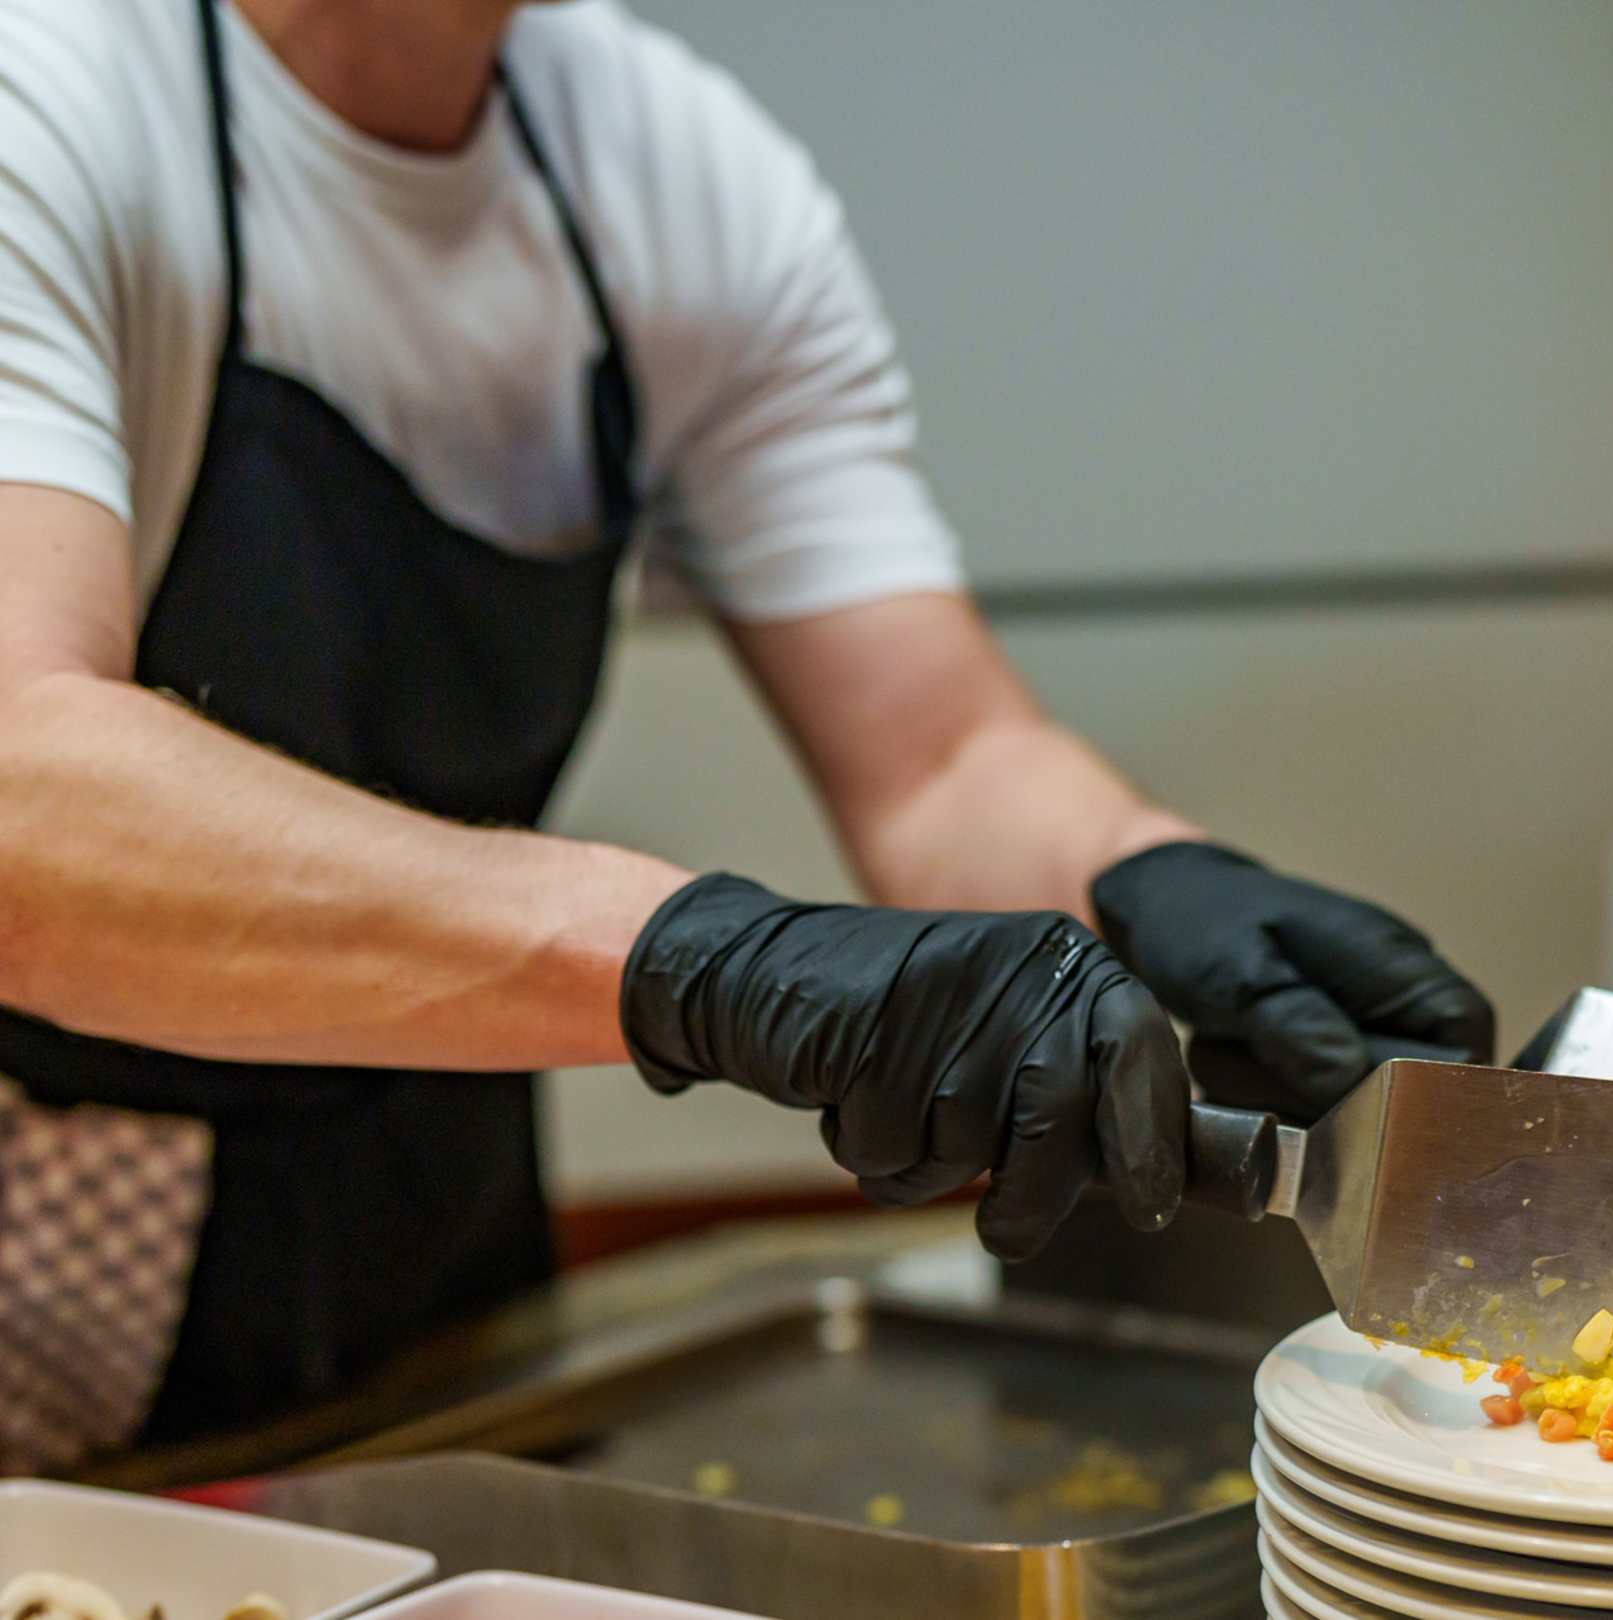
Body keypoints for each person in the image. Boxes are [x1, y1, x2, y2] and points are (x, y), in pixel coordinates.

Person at [0, 0, 1493, 1451]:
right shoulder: (56, 88)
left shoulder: (664, 168)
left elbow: (941, 761)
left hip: (428, 1197)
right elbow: (28, 800)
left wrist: (1152, 877)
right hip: (52, 1236)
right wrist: (695, 958)